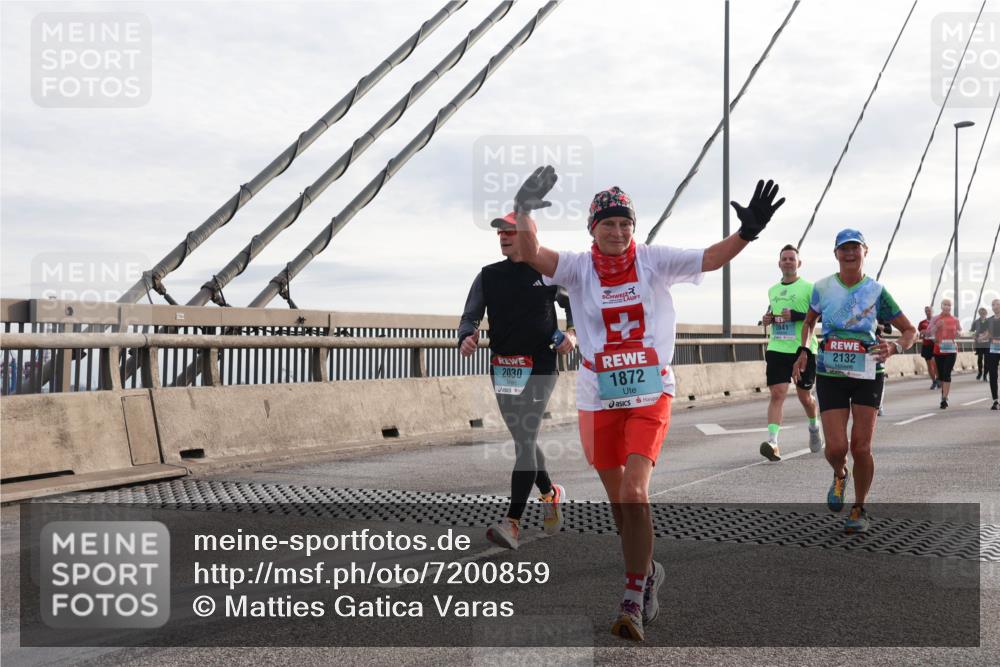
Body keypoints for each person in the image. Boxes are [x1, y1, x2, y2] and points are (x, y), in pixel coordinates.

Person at [513, 165, 785, 641]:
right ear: (593, 228)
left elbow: (710, 258)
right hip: (598, 394)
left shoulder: (654, 261)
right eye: (608, 224)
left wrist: (747, 232)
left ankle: (632, 596)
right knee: (620, 504)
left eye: (625, 224)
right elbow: (531, 252)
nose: (618, 232)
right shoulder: (577, 268)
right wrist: (523, 209)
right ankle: (650, 570)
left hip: (649, 389)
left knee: (635, 492)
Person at [458, 211, 576, 550]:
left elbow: (576, 306)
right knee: (525, 439)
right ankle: (549, 493)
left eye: (511, 231)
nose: (504, 237)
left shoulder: (548, 271)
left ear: (529, 236)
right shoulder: (488, 276)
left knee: (525, 438)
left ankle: (512, 522)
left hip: (541, 364)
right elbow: (470, 316)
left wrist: (571, 334)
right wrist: (467, 336)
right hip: (504, 367)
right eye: (500, 233)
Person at [792, 229, 916, 534]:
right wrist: (804, 350)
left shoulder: (876, 291)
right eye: (844, 249)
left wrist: (895, 347)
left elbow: (910, 330)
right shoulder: (822, 287)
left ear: (865, 251)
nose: (850, 253)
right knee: (836, 448)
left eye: (855, 248)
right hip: (830, 373)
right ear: (836, 253)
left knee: (861, 447)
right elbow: (809, 322)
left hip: (868, 373)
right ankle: (839, 473)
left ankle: (859, 507)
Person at [759, 244, 822, 460]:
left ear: (799, 263)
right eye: (784, 259)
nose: (787, 262)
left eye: (791, 259)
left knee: (805, 397)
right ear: (779, 263)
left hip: (802, 348)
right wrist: (767, 318)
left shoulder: (810, 288)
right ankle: (773, 442)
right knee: (777, 393)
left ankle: (814, 426)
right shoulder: (773, 290)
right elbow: (773, 313)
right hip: (777, 347)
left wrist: (796, 315)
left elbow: (820, 316)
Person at [928, 299, 961, 409]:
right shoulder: (935, 318)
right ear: (941, 306)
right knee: (941, 376)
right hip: (939, 350)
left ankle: (944, 399)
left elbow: (960, 331)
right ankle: (943, 395)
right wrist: (936, 326)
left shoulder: (955, 319)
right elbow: (928, 333)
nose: (947, 307)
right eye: (945, 304)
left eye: (949, 305)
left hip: (951, 349)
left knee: (947, 374)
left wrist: (958, 333)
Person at [918, 306, 939, 389]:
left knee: (935, 363)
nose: (928, 312)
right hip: (926, 345)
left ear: (932, 311)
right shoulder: (922, 323)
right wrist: (922, 334)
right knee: (929, 364)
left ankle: (938, 379)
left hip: (935, 345)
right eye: (926, 311)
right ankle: (934, 381)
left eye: (929, 311)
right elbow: (920, 335)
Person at [984, 298, 1000, 410]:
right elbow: (987, 334)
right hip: (993, 349)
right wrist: (979, 337)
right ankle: (995, 401)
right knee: (993, 374)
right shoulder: (989, 320)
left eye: (998, 304)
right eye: (993, 304)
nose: (996, 306)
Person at [973, 307, 991, 381]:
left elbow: (992, 331)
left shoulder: (989, 321)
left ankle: (985, 375)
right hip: (979, 343)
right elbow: (972, 331)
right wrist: (974, 336)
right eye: (981, 313)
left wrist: (987, 334)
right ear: (979, 314)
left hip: (987, 343)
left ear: (986, 314)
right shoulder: (976, 322)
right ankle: (980, 372)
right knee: (980, 358)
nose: (982, 315)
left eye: (984, 313)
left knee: (987, 360)